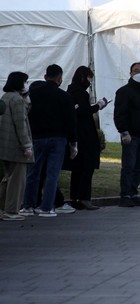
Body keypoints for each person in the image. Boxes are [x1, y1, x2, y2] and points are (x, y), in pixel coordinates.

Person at [21, 64, 77, 218]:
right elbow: (71, 122)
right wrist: (73, 143)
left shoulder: (33, 93)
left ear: (45, 77)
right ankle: (47, 208)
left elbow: (26, 113)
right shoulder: (65, 97)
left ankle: (28, 205)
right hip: (58, 138)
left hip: (37, 137)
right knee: (52, 173)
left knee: (33, 173)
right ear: (60, 79)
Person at [114, 62, 140, 208]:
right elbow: (120, 114)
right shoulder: (124, 91)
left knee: (139, 166)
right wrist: (124, 132)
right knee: (129, 166)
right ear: (131, 73)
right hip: (131, 135)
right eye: (136, 70)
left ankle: (133, 193)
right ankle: (125, 195)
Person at [67, 66, 108, 210]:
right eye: (89, 78)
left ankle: (75, 198)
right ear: (83, 77)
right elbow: (84, 111)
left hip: (78, 135)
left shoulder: (71, 91)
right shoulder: (79, 93)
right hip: (85, 135)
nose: (90, 82)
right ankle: (84, 197)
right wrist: (98, 106)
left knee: (77, 169)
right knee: (86, 167)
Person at [0, 72, 34, 221]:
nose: (26, 84)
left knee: (7, 178)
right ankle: (12, 210)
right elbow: (21, 124)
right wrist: (27, 145)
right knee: (17, 179)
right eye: (25, 82)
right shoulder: (17, 100)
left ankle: (3, 208)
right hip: (17, 146)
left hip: (5, 144)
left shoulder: (5, 97)